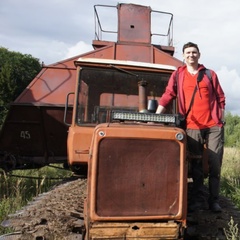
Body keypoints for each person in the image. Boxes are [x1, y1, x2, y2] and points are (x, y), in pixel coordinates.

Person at [156, 42, 226, 213]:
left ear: (199, 55)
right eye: (188, 53)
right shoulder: (178, 75)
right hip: (192, 126)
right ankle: (198, 201)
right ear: (183, 56)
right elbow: (168, 95)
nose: (191, 55)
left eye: (194, 52)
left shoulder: (210, 74)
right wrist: (156, 116)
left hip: (213, 126)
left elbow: (221, 97)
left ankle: (214, 201)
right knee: (196, 165)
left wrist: (220, 118)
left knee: (214, 163)